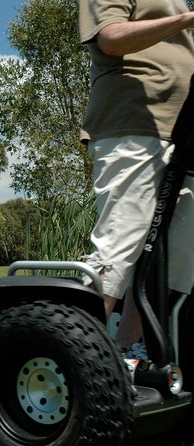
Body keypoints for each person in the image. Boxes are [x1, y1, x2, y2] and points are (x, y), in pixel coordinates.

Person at [78, 0, 194, 355]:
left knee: (180, 254)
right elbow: (111, 38)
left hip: (185, 132)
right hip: (131, 125)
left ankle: (126, 352)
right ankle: (76, 354)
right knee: (119, 245)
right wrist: (188, 19)